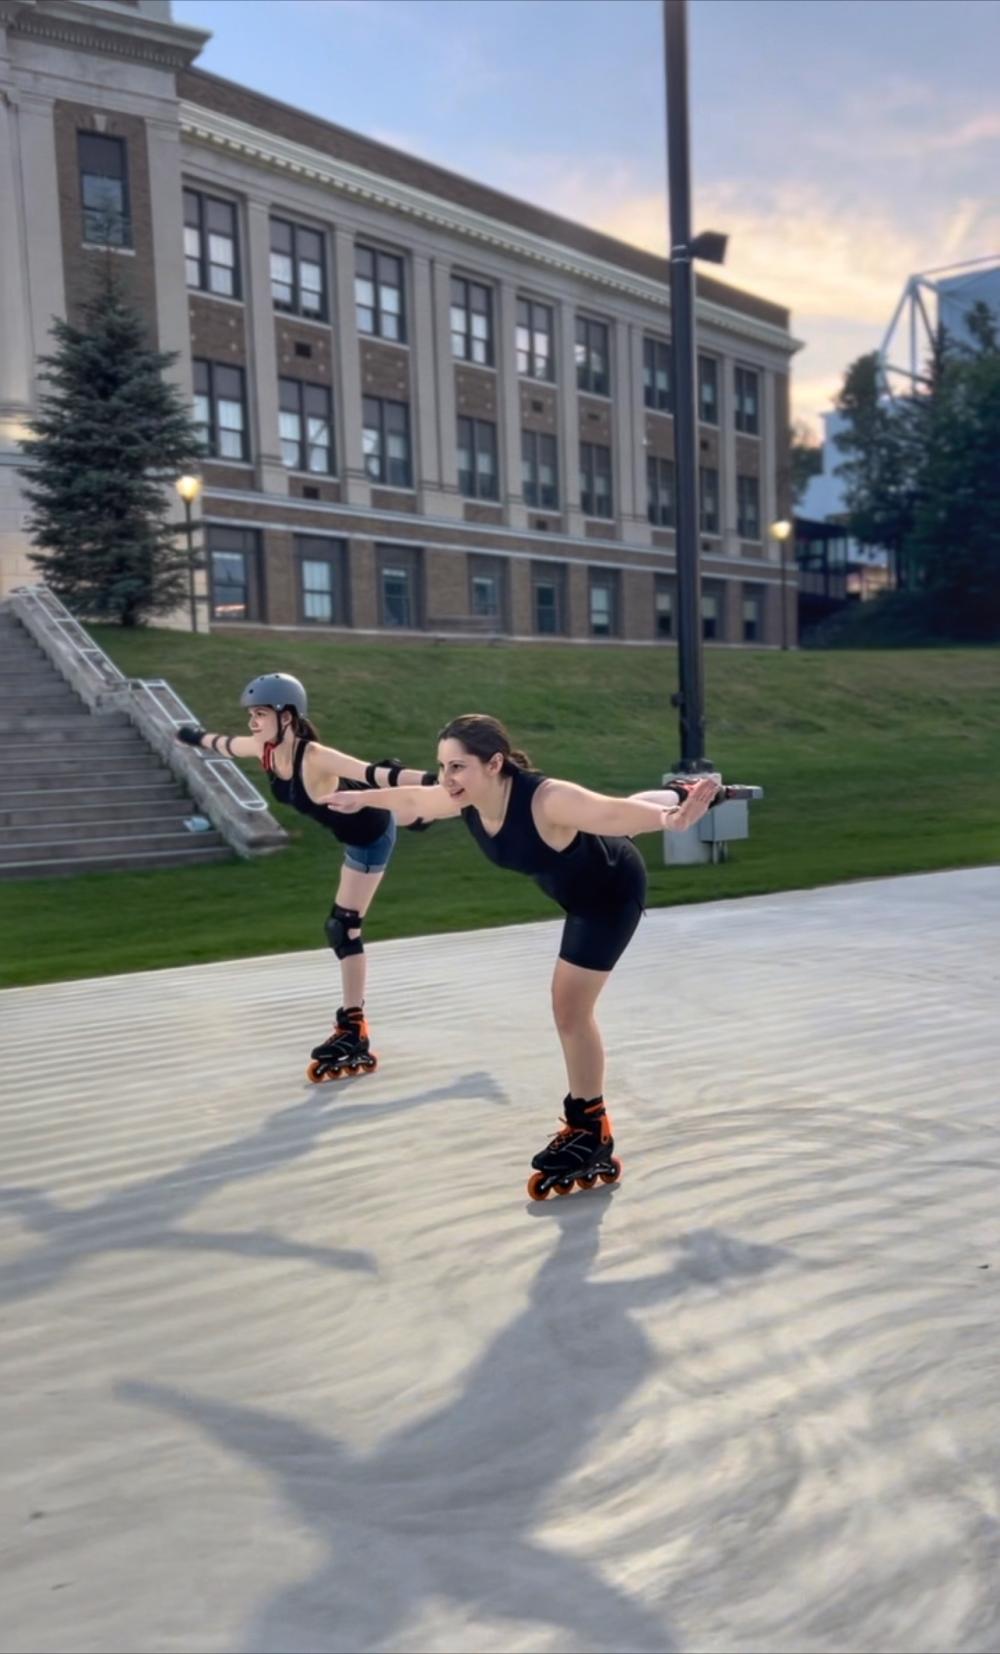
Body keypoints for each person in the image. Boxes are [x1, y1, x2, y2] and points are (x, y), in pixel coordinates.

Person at [321, 712, 724, 1197]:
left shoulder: (546, 798)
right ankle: (682, 790)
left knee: (570, 1010)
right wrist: (360, 798)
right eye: (442, 766)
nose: (446, 779)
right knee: (608, 829)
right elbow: (412, 798)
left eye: (457, 767)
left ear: (495, 764)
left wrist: (670, 821)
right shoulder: (464, 799)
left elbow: (612, 814)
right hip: (582, 872)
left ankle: (589, 1130)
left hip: (609, 895)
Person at [175, 672, 432, 1083]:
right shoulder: (264, 749)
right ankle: (417, 814)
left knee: (344, 928)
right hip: (352, 835)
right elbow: (224, 744)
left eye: (260, 714)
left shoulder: (313, 757)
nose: (252, 723)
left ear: (288, 716)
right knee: (340, 928)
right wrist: (192, 737)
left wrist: (440, 780)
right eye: (252, 715)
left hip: (370, 835)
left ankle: (353, 1030)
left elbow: (374, 774)